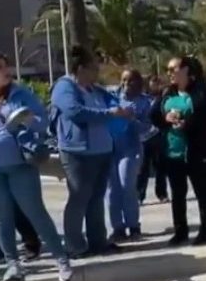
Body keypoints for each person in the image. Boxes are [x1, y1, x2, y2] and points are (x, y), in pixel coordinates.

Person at [0, 52, 72, 281]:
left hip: (20, 165)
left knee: (35, 213)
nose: (6, 70)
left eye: (6, 65)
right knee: (0, 217)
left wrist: (27, 119)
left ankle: (61, 259)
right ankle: (13, 264)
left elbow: (43, 122)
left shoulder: (20, 94)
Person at [52, 47, 130, 257]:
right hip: (77, 152)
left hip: (102, 151)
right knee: (79, 198)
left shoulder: (96, 90)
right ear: (81, 69)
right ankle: (74, 245)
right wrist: (108, 114)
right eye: (94, 69)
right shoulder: (64, 87)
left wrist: (123, 110)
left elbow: (115, 102)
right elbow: (74, 112)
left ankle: (98, 242)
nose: (97, 73)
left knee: (96, 199)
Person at [152, 56, 206, 246]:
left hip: (197, 150)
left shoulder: (200, 92)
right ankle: (180, 231)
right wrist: (166, 117)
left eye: (174, 69)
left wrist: (186, 124)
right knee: (177, 194)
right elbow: (154, 115)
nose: (170, 73)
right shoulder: (167, 94)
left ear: (187, 71)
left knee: (203, 192)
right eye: (168, 69)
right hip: (174, 152)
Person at [107, 69, 152, 242]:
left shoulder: (144, 103)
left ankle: (133, 225)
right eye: (123, 80)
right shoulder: (112, 97)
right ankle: (117, 227)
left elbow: (148, 128)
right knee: (112, 189)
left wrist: (132, 119)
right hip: (111, 149)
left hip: (131, 148)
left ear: (138, 83)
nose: (126, 85)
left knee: (127, 185)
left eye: (130, 81)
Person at [137, 74, 168, 204]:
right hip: (144, 137)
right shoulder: (143, 99)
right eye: (153, 82)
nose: (156, 85)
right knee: (143, 168)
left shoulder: (163, 98)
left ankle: (161, 193)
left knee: (161, 167)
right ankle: (139, 195)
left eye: (158, 82)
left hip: (158, 136)